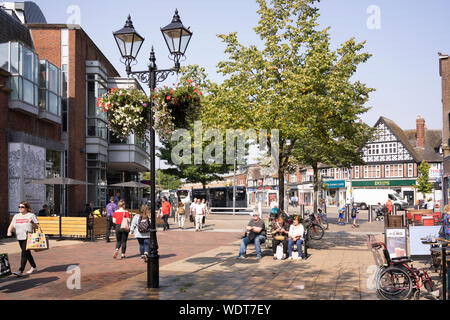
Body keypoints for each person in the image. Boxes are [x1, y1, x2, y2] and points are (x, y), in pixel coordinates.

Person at [7, 201, 39, 276]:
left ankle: (20, 270)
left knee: (24, 253)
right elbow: (12, 225)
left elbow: (37, 227)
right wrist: (9, 231)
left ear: (27, 208)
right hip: (19, 237)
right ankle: (34, 267)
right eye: (19, 207)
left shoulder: (31, 215)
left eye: (22, 207)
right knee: (27, 253)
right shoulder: (16, 216)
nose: (20, 208)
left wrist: (32, 222)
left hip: (28, 237)